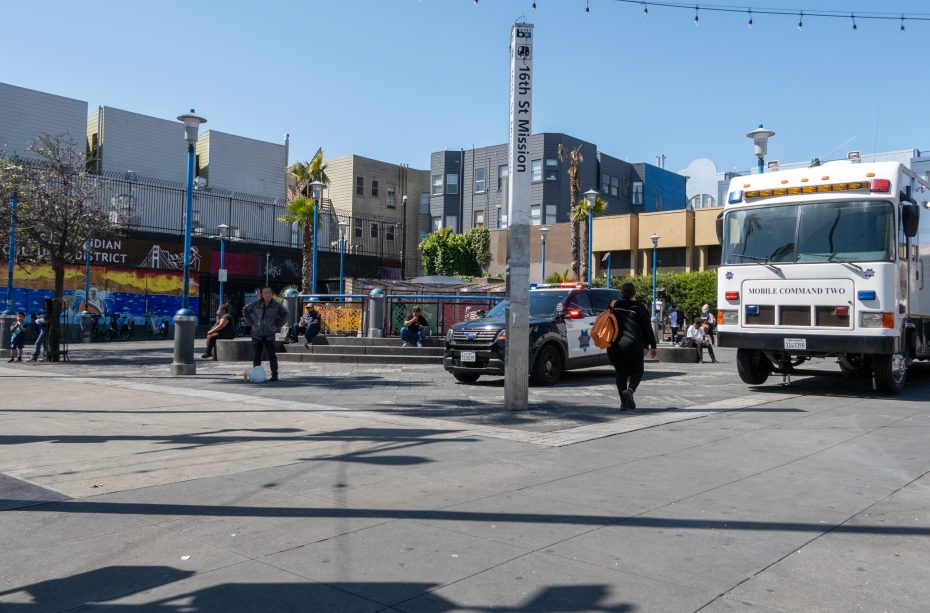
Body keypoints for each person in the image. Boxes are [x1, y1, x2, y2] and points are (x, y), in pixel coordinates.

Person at [607, 283, 658, 410]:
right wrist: (653, 345)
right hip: (634, 345)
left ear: (621, 293)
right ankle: (630, 391)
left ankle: (624, 403)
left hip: (615, 345)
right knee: (637, 371)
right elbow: (647, 328)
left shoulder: (615, 306)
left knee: (621, 374)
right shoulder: (640, 308)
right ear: (634, 293)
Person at [243, 287, 289, 382]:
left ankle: (274, 375)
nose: (267, 295)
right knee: (256, 355)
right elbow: (245, 310)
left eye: (269, 293)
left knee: (272, 355)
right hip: (257, 334)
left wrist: (277, 325)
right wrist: (251, 323)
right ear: (261, 294)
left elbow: (285, 313)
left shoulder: (276, 305)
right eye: (265, 293)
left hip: (269, 334)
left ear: (272, 294)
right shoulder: (256, 304)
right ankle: (257, 375)